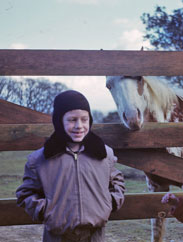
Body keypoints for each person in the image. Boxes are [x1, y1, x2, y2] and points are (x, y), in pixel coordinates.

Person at [16, 90, 125, 242]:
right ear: (59, 121)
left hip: (95, 236)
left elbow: (117, 182)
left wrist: (107, 204)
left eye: (84, 119)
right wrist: (46, 212)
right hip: (57, 236)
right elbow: (25, 194)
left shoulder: (104, 153)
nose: (79, 126)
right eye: (72, 120)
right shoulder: (40, 159)